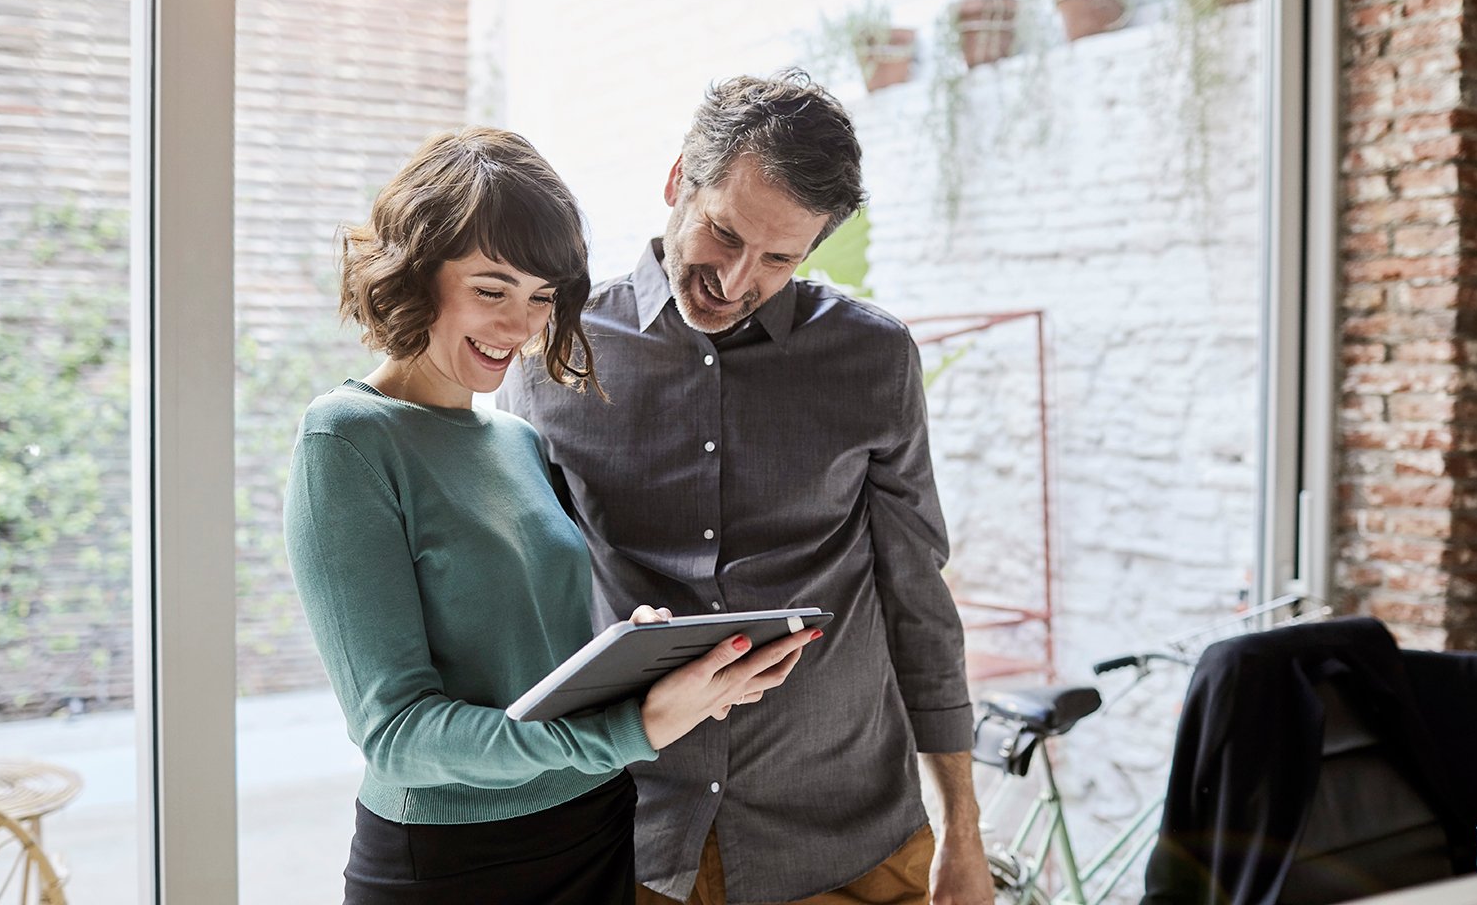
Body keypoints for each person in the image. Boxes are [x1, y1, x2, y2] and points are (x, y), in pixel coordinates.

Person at [283, 125, 821, 905]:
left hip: (594, 821)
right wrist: (627, 731)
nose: (519, 325)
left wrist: (635, 665)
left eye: (542, 297)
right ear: (417, 273)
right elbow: (396, 738)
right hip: (456, 861)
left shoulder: (517, 439)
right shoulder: (349, 437)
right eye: (491, 289)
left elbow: (531, 666)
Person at [498, 71, 994, 904]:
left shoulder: (872, 358)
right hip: (633, 839)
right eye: (723, 234)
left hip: (852, 847)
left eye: (778, 258)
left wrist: (964, 832)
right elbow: (518, 604)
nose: (734, 280)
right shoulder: (554, 354)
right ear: (677, 180)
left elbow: (917, 597)